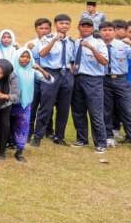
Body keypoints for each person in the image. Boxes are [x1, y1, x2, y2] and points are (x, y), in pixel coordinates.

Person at [32, 13, 76, 146]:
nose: (64, 26)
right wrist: (54, 40)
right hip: (51, 73)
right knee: (46, 105)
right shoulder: (46, 38)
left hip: (66, 74)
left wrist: (71, 74)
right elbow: (42, 53)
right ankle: (38, 136)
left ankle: (59, 136)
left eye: (67, 23)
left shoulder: (71, 42)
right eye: (61, 23)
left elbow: (72, 60)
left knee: (64, 107)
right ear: (56, 24)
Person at [69, 16, 108, 152]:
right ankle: (81, 139)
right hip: (78, 79)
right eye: (83, 26)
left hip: (93, 80)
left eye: (88, 26)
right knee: (78, 111)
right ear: (79, 27)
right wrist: (72, 67)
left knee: (95, 112)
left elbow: (104, 62)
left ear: (92, 28)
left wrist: (92, 48)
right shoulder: (76, 42)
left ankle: (101, 143)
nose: (85, 28)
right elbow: (73, 60)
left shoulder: (99, 43)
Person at [11, 49, 53, 161]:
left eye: (27, 57)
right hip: (10, 103)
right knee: (8, 126)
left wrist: (40, 68)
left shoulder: (32, 71)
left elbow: (49, 80)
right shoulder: (12, 70)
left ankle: (19, 151)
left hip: (25, 104)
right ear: (17, 57)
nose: (25, 59)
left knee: (23, 127)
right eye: (22, 56)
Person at [100, 20, 131, 143]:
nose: (107, 33)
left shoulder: (123, 45)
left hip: (120, 80)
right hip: (104, 80)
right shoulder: (98, 45)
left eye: (110, 30)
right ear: (100, 31)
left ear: (114, 31)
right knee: (106, 109)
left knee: (127, 109)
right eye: (104, 30)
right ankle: (109, 136)